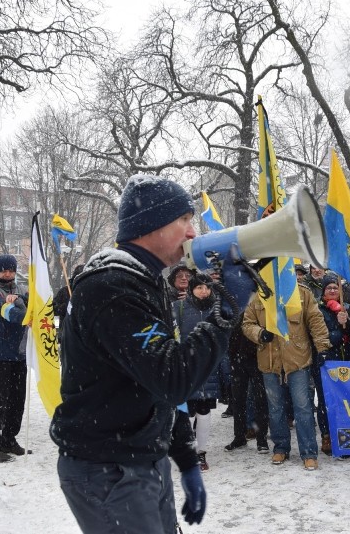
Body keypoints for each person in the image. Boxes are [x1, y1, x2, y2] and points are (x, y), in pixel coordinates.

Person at [50, 174, 253, 533]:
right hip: (108, 467)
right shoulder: (112, 286)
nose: (192, 233)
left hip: (136, 458)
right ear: (151, 225)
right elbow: (172, 378)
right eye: (184, 220)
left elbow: (153, 388)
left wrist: (186, 460)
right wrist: (225, 312)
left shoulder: (141, 280)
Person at [242, 283, 330, 471]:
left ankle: (308, 452)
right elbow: (247, 323)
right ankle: (281, 447)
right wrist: (260, 333)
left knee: (303, 408)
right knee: (275, 409)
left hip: (298, 360)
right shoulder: (258, 295)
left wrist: (322, 347)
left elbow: (315, 319)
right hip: (270, 362)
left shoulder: (302, 293)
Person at [0, 254, 29, 462]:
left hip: (19, 354)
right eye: (3, 270)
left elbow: (35, 306)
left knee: (17, 401)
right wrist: (25, 316)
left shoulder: (22, 290)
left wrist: (20, 301)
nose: (7, 274)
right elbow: (5, 312)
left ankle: (9, 439)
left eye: (11, 270)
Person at [173, 273, 220, 472]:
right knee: (185, 412)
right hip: (186, 368)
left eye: (207, 287)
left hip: (209, 368)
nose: (204, 291)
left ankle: (201, 452)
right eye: (199, 287)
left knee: (204, 412)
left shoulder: (216, 309)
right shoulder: (179, 308)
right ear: (191, 289)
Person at [223, 310, 269, 453]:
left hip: (258, 357)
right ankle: (239, 437)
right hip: (237, 358)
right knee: (238, 400)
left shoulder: (262, 303)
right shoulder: (235, 304)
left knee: (260, 400)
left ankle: (262, 439)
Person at [315, 277, 350, 455]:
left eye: (335, 287)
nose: (332, 291)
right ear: (323, 292)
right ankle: (327, 435)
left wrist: (347, 322)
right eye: (328, 288)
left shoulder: (347, 307)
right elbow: (322, 337)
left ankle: (344, 435)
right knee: (325, 401)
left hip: (345, 362)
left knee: (344, 401)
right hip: (325, 361)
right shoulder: (318, 310)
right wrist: (339, 330)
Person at [52, 263, 84, 329]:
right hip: (65, 331)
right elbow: (54, 310)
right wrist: (57, 327)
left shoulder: (88, 293)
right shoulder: (64, 291)